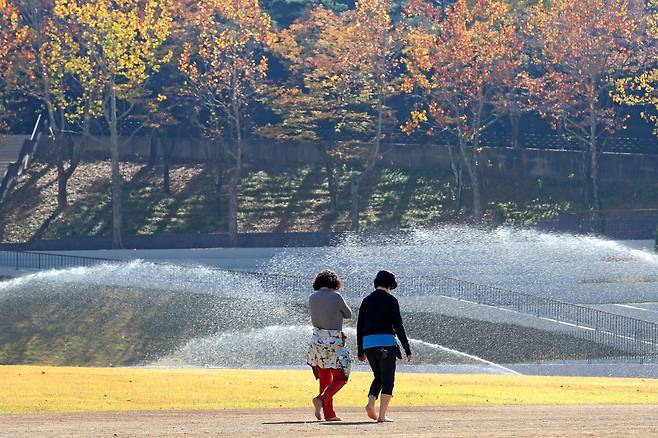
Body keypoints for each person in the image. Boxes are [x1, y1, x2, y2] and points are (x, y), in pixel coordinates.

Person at [357, 270, 412, 422]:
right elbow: (399, 326)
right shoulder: (391, 301)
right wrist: (407, 350)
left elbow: (359, 326)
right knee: (388, 379)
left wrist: (360, 350)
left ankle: (370, 403)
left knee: (378, 376)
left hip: (368, 344)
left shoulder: (366, 300)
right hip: (387, 344)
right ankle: (381, 415)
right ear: (390, 285)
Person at [307, 270, 352, 421]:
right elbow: (348, 314)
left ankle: (329, 414)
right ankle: (321, 399)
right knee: (341, 376)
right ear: (334, 282)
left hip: (316, 341)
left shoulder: (312, 297)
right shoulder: (336, 296)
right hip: (334, 342)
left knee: (324, 377)